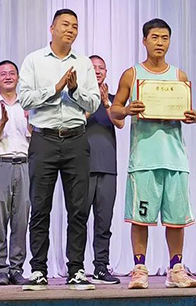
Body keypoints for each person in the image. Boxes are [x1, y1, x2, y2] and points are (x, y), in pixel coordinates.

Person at [110, 18, 196, 290]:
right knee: (141, 218)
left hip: (174, 158)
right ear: (144, 41)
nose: (160, 43)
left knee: (176, 218)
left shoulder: (179, 77)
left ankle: (176, 269)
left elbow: (185, 111)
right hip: (144, 159)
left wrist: (190, 116)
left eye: (165, 38)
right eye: (155, 37)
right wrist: (128, 110)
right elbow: (114, 110)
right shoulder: (132, 74)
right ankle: (139, 269)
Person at [18, 8, 100, 291]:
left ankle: (76, 269)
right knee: (40, 206)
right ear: (51, 28)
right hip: (44, 139)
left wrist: (74, 91)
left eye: (75, 26)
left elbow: (94, 103)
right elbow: (25, 99)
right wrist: (56, 88)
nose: (70, 30)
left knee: (78, 208)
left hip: (76, 139)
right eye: (65, 24)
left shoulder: (84, 63)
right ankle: (38, 270)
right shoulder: (34, 60)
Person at [0, 60, 31, 286]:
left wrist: (31, 122)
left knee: (21, 219)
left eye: (12, 73)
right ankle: (1, 269)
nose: (8, 76)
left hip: (24, 164)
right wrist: (2, 121)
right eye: (3, 74)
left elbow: (35, 136)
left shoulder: (28, 105)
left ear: (18, 78)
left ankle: (17, 268)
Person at [84, 55, 124, 284]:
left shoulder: (113, 100)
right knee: (78, 220)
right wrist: (93, 100)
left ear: (106, 72)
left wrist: (106, 101)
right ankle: (75, 268)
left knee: (104, 221)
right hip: (82, 167)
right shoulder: (78, 98)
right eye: (93, 67)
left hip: (108, 168)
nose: (97, 71)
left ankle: (101, 267)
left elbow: (119, 123)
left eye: (101, 68)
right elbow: (77, 122)